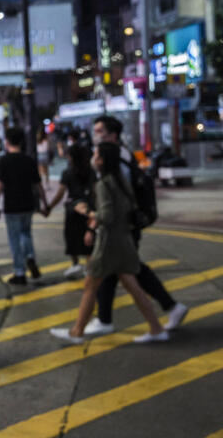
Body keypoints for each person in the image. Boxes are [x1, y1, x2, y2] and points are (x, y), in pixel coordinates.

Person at [50, 143, 169, 344]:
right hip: (124, 239)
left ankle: (77, 332)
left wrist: (87, 212)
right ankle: (156, 328)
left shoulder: (104, 184)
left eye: (95, 155)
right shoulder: (120, 180)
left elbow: (107, 215)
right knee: (132, 286)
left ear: (101, 160)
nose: (92, 158)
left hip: (109, 242)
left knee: (91, 284)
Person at [87, 115, 187, 335]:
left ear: (112, 135)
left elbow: (121, 194)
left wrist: (100, 219)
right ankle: (105, 319)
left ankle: (168, 309)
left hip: (124, 226)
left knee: (126, 269)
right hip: (123, 225)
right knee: (117, 270)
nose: (95, 136)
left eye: (99, 132)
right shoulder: (117, 155)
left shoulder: (117, 158)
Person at [0, 128, 46, 285]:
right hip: (28, 205)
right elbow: (38, 185)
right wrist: (45, 203)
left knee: (15, 239)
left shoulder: (3, 161)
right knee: (26, 234)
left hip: (12, 206)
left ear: (7, 141)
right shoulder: (29, 160)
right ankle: (30, 256)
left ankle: (20, 273)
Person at [43, 144, 96, 279]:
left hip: (73, 208)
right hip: (88, 208)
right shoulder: (91, 171)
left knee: (72, 237)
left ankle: (75, 264)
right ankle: (89, 267)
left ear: (71, 157)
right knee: (89, 237)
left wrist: (49, 207)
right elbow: (95, 191)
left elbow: (60, 193)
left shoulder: (68, 173)